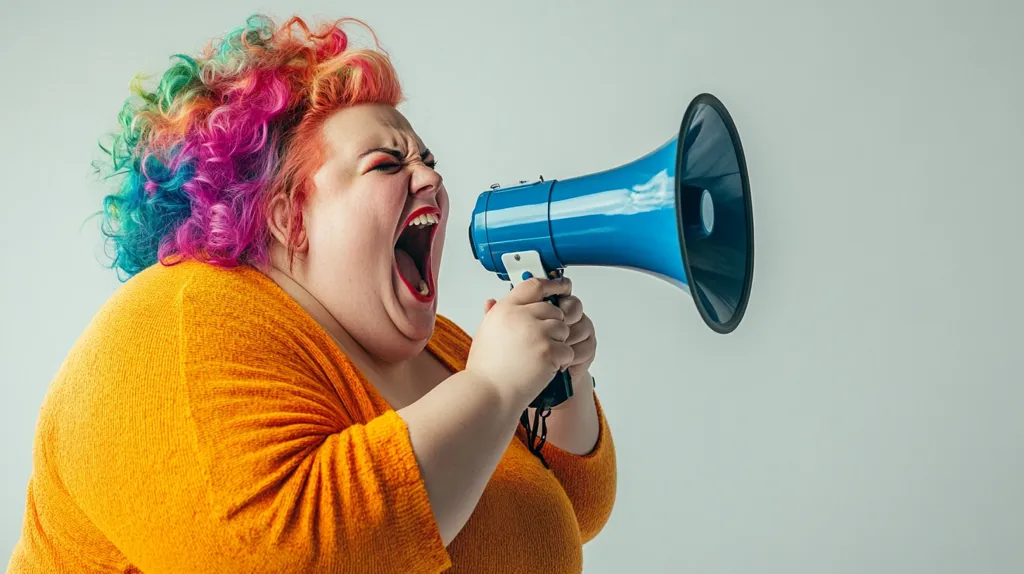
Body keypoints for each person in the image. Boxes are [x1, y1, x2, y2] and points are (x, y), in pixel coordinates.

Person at [7, 13, 616, 574]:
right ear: (286, 218)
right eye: (386, 163)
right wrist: (493, 389)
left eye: (428, 160)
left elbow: (575, 508)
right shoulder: (174, 320)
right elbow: (285, 554)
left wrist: (563, 383)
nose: (431, 176)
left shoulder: (438, 347)